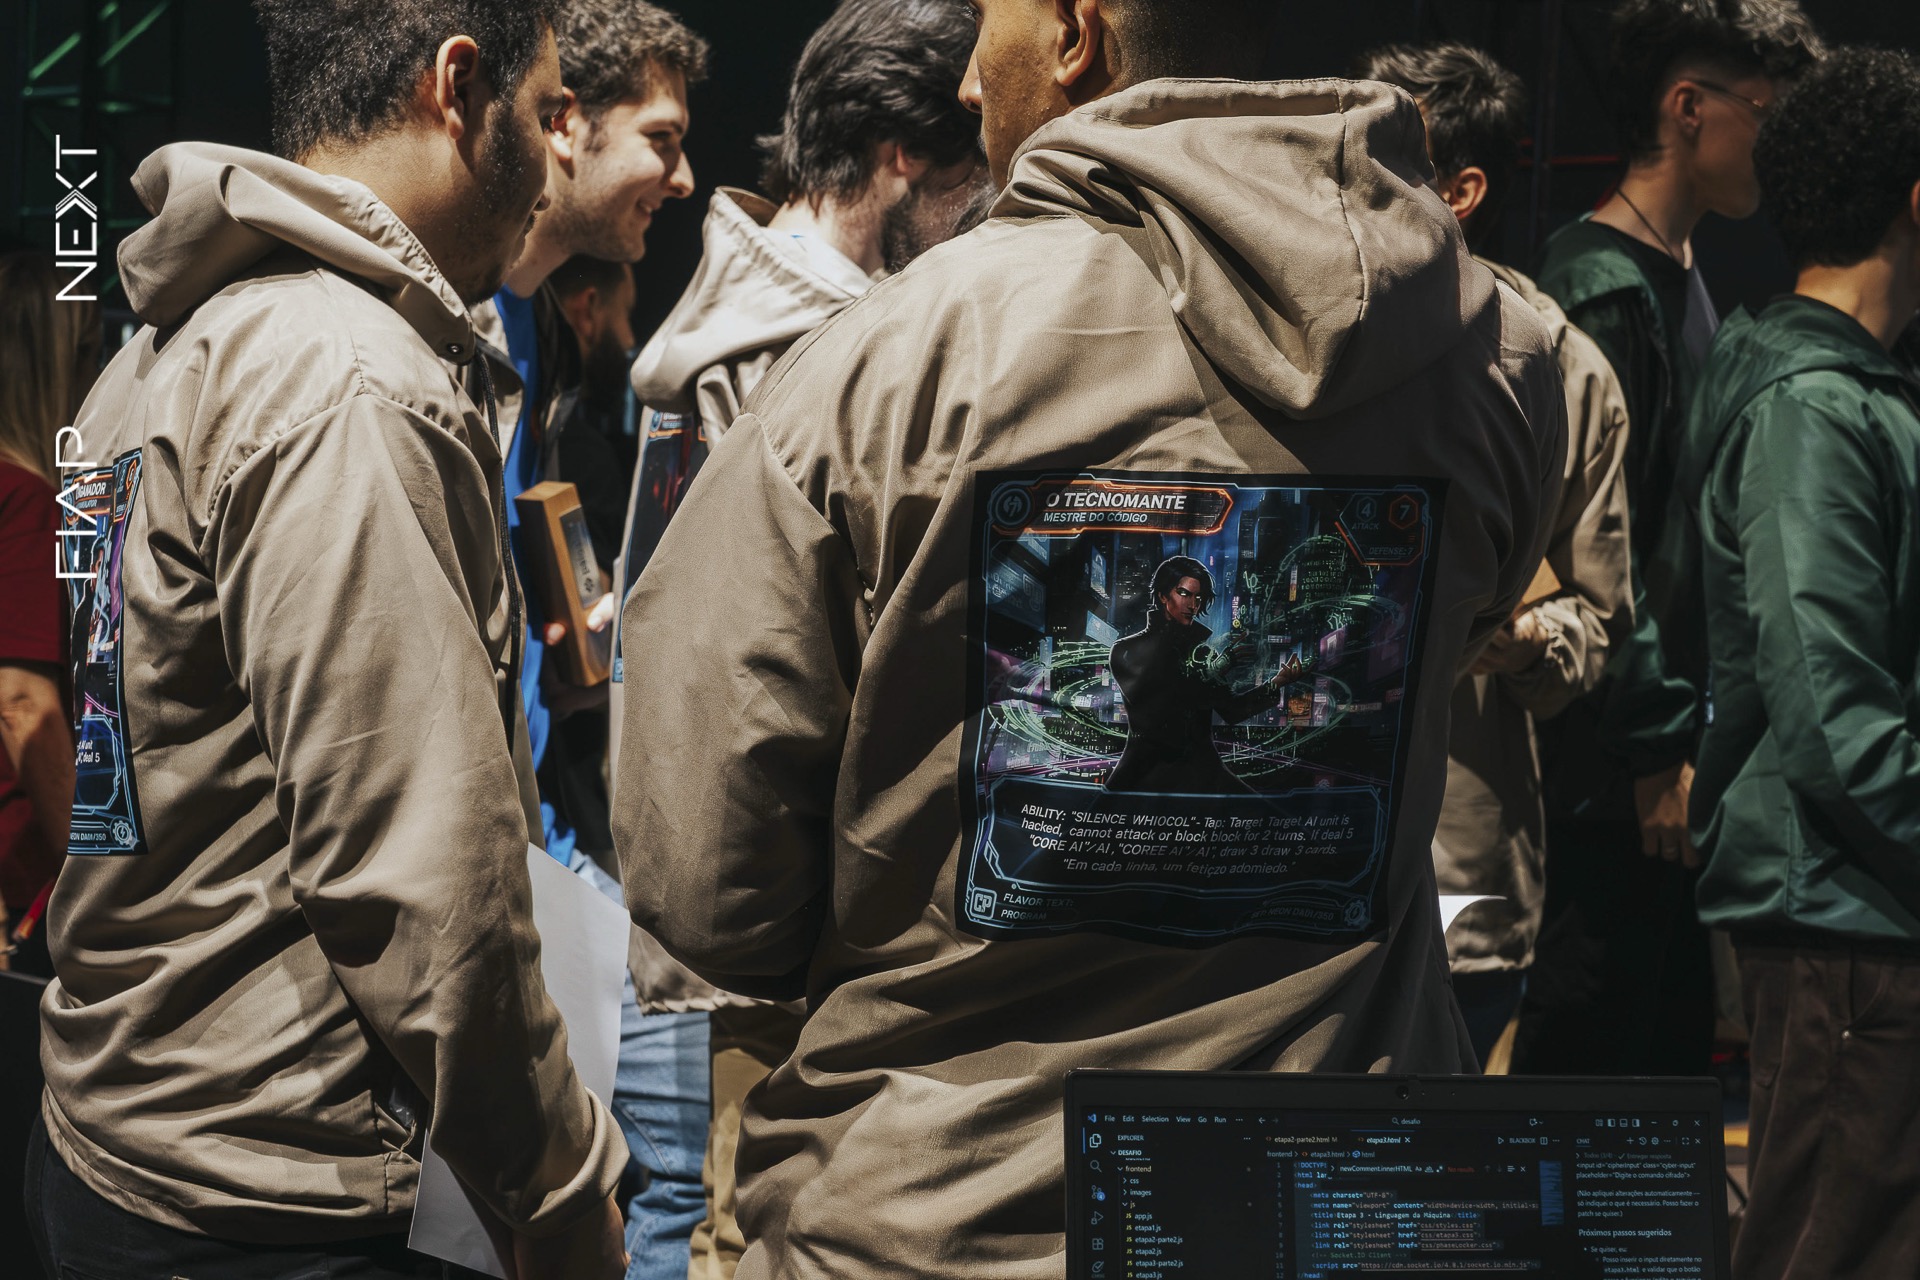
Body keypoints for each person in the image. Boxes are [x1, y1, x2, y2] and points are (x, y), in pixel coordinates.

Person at [612, 0, 1569, 1273]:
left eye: (988, 22)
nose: (967, 81)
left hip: (938, 1219)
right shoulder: (1506, 359)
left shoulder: (889, 364)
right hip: (1319, 1199)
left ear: (1074, 32)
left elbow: (708, 884)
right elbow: (1459, 638)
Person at [26, 3, 631, 1277]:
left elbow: (118, 777)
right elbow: (421, 882)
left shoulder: (161, 350)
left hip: (127, 1136)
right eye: (544, 109)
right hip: (280, 1194)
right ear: (457, 88)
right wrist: (562, 1192)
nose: (557, 150)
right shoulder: (346, 380)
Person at [609, 3, 984, 1276]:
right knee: (741, 1220)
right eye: (972, 173)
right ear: (899, 156)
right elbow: (754, 670)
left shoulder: (746, 316)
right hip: (789, 920)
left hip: (768, 911)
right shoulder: (802, 352)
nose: (985, 212)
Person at [1514, 0, 1821, 1077]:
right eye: (1764, 113)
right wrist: (1652, 749)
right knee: (1594, 1039)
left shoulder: (1675, 275)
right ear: (1689, 108)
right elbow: (1601, 542)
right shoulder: (1600, 287)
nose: (1774, 141)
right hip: (1615, 763)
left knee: (1658, 1045)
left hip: (1665, 748)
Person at [466, 6, 710, 1279]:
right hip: (497, 875)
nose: (683, 175)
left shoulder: (520, 334)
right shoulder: (460, 322)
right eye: (660, 138)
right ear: (564, 126)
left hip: (553, 854)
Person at [1678, 46, 1920, 1279]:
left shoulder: (1856, 393)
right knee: (1830, 1248)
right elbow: (1833, 712)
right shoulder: (1812, 408)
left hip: (1868, 911)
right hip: (1847, 920)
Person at [1360, 42, 1633, 1067]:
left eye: (1384, 151)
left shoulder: (1560, 366)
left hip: (1461, 853)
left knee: (1442, 1149)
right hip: (1283, 849)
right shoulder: (1298, 334)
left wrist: (1522, 639)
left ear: (1461, 191)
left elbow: (1597, 616)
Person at [0, 252, 96, 979]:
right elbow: (22, 702)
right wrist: (93, 871)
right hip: (17, 878)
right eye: (87, 351)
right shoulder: (26, 502)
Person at [1106, 557, 1304, 794]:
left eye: (1198, 598)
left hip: (1203, 770)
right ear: (1163, 596)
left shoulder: (1201, 653)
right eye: (1184, 593)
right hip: (1146, 772)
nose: (1193, 605)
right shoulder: (1126, 650)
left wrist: (1277, 683)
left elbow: (1232, 709)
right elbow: (1161, 706)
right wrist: (1215, 669)